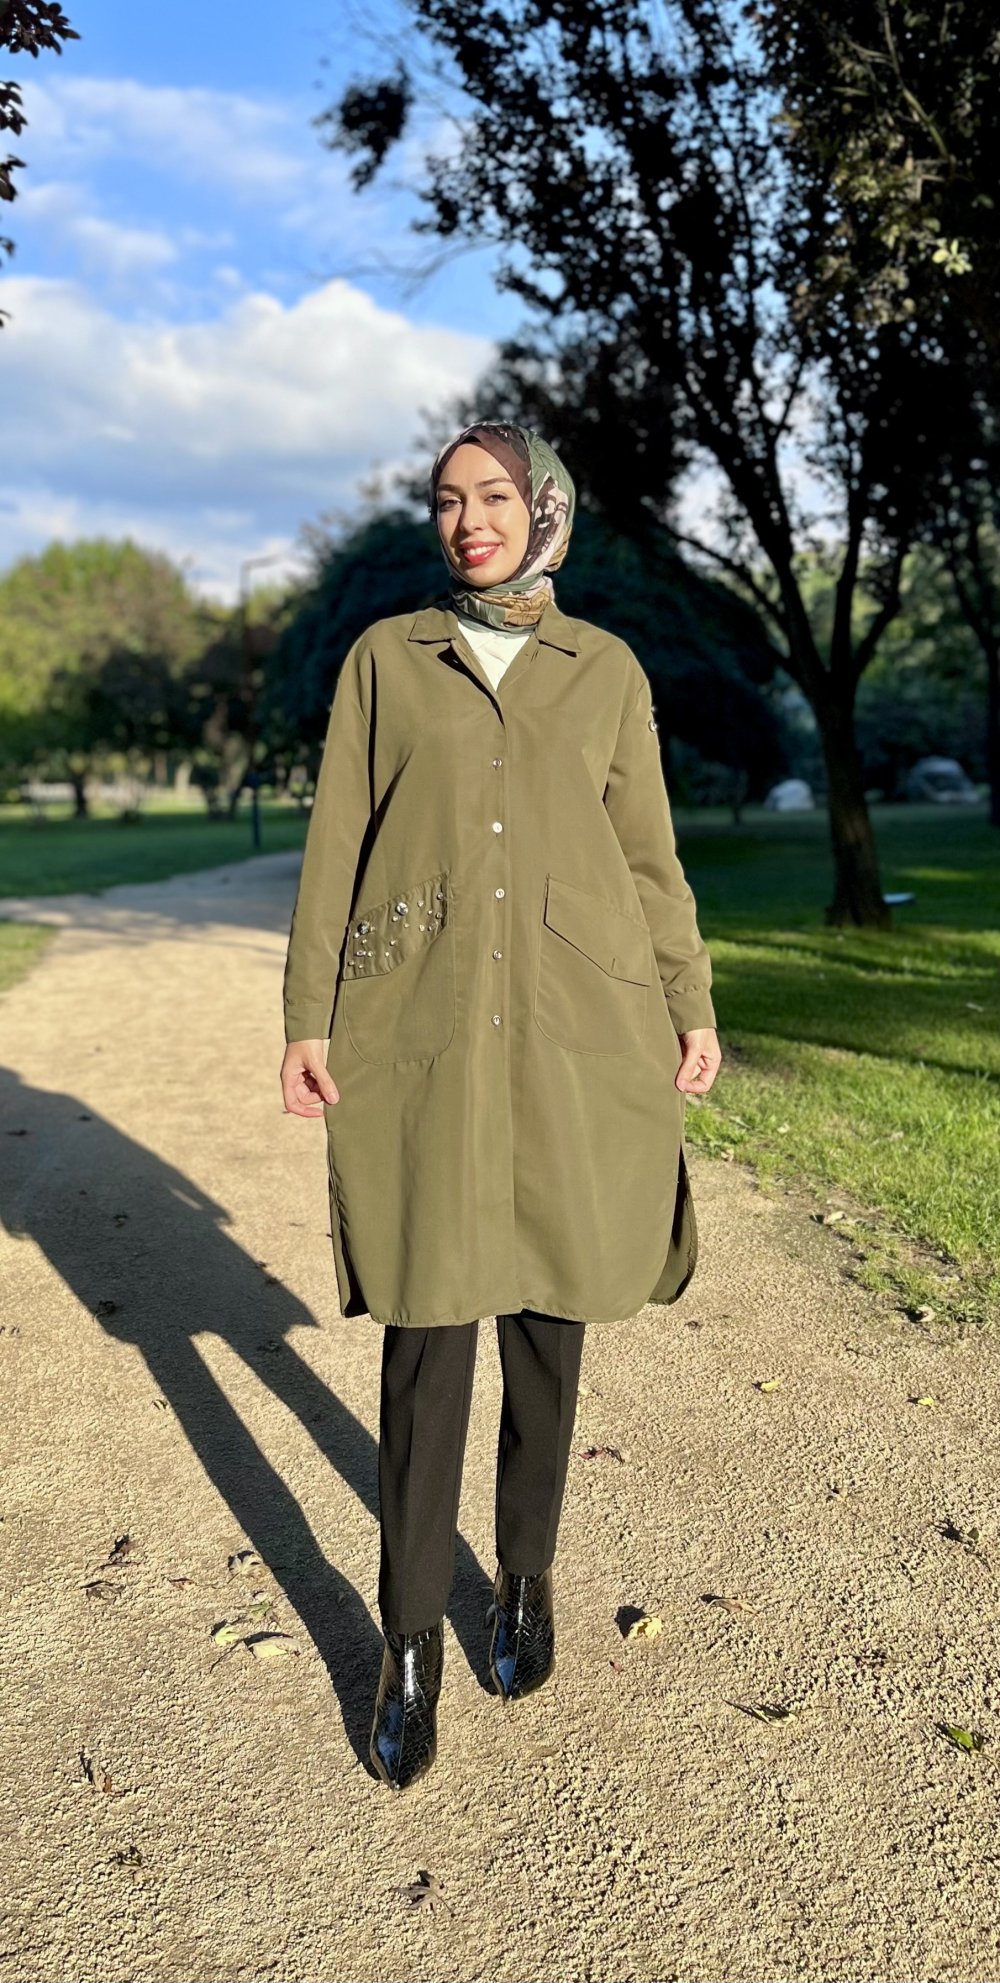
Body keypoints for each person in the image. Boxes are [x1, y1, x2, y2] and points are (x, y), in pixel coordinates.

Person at [279, 419, 721, 1791]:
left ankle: (523, 1578)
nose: (469, 519)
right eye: (447, 500)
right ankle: (409, 1639)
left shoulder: (607, 670)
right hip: (419, 1023)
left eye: (494, 496)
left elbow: (648, 856)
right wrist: (306, 1016)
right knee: (427, 1332)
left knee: (548, 1321)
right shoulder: (385, 660)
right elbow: (336, 842)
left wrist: (691, 1000)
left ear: (547, 511)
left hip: (579, 1029)